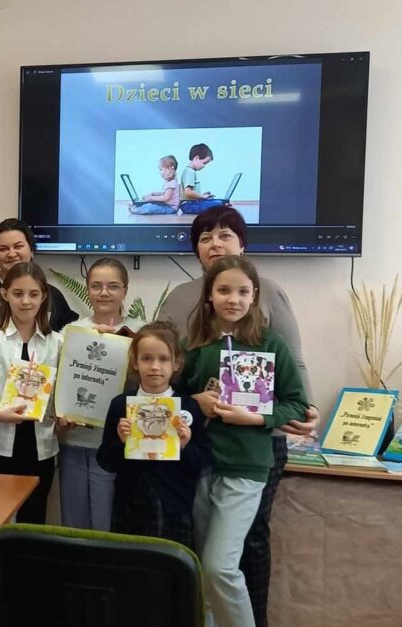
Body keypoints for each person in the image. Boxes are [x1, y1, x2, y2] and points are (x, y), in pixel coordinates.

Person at [157, 205, 318, 627]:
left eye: (225, 235)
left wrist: (293, 411)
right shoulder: (185, 314)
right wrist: (191, 402)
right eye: (205, 237)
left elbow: (294, 375)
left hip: (252, 454)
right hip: (202, 454)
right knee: (205, 556)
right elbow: (166, 374)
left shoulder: (269, 315)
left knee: (235, 554)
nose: (215, 243)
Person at [0, 262, 62, 524]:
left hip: (40, 448)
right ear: (4, 294)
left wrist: (65, 415)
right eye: (18, 293)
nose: (26, 301)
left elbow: (62, 399)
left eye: (33, 294)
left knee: (33, 522)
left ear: (44, 296)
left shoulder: (58, 343)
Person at [97, 322, 209, 547]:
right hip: (129, 505)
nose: (155, 366)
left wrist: (185, 446)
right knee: (129, 563)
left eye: (163, 359)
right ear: (135, 362)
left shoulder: (188, 407)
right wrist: (122, 442)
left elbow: (202, 464)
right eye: (146, 358)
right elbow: (105, 461)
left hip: (174, 506)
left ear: (176, 363)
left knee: (167, 565)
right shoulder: (121, 404)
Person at [56, 257, 144, 531]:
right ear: (88, 289)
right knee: (74, 524)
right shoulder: (70, 332)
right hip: (74, 440)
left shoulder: (141, 333)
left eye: (113, 286)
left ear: (125, 290)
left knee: (108, 525)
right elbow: (59, 383)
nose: (104, 293)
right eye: (96, 286)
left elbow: (150, 382)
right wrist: (59, 415)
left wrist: (121, 346)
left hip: (117, 443)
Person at [0, 218, 78, 331]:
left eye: (18, 246)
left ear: (31, 251)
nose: (11, 254)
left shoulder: (51, 294)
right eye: (3, 249)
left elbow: (72, 331)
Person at [179, 143, 227, 215]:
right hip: (189, 206)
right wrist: (202, 196)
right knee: (219, 203)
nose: (204, 166)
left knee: (217, 201)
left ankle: (223, 205)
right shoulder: (189, 172)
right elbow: (188, 192)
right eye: (204, 163)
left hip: (192, 203)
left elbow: (191, 193)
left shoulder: (190, 171)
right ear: (196, 158)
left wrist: (202, 195)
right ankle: (223, 206)